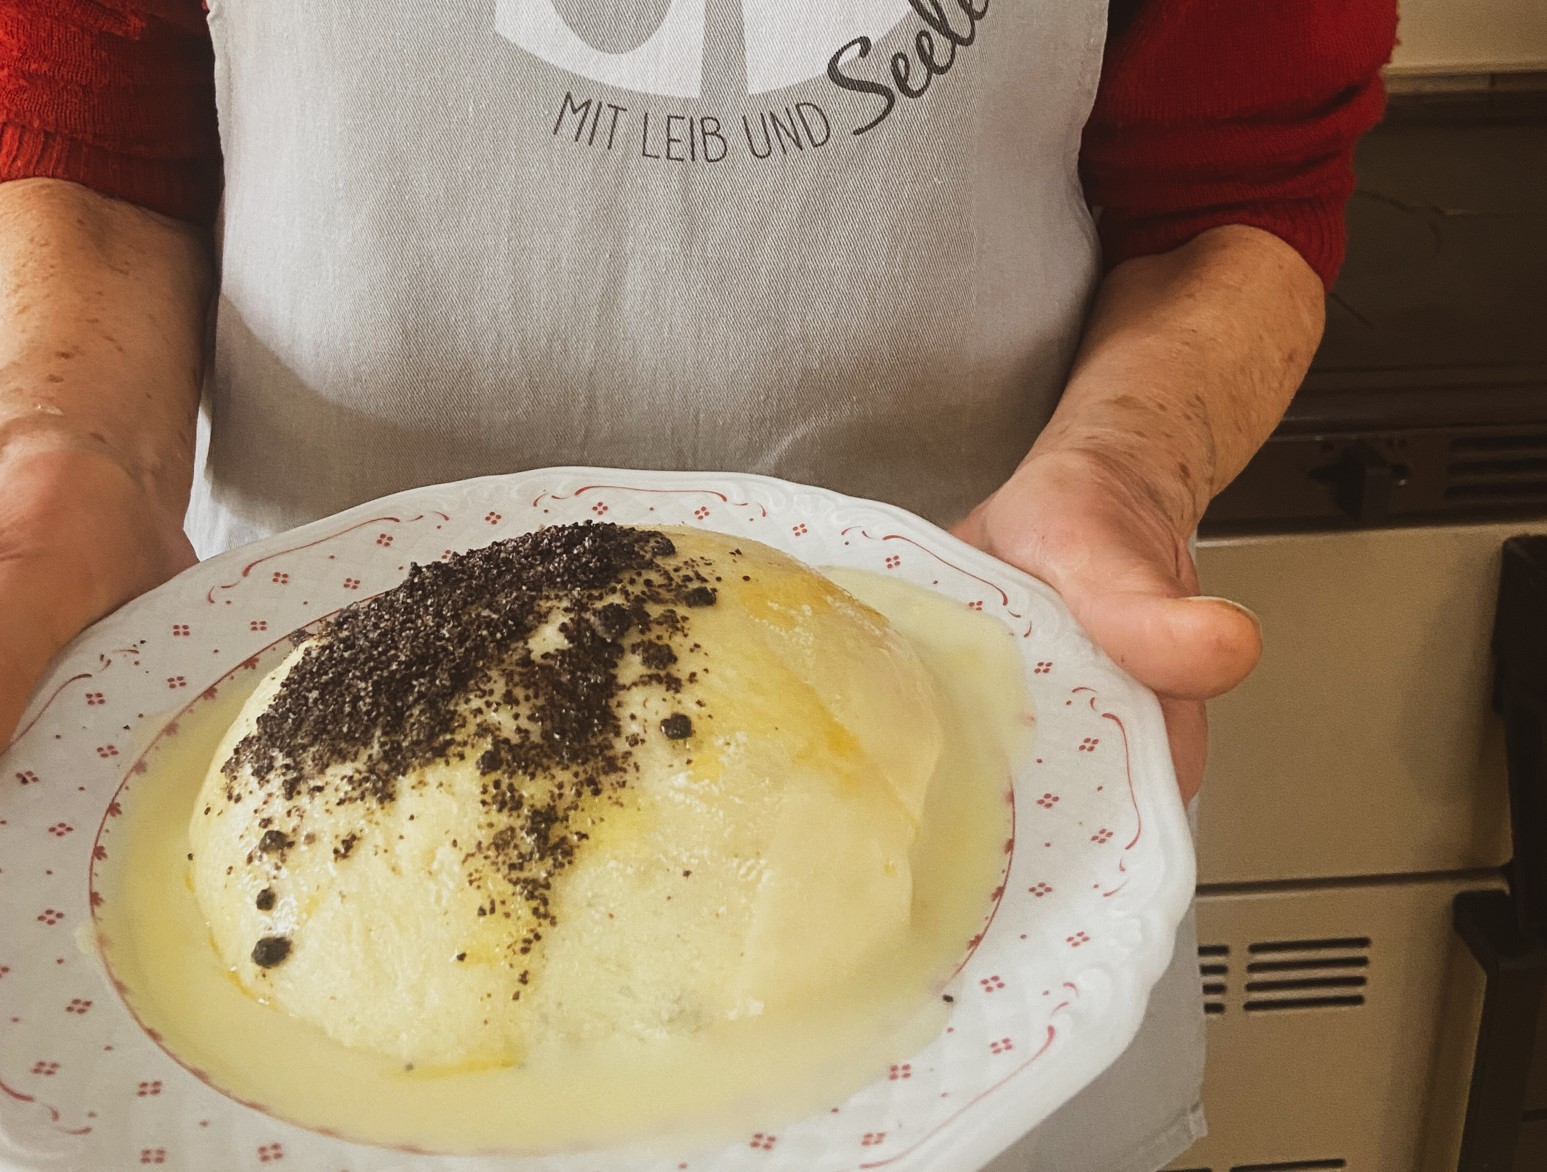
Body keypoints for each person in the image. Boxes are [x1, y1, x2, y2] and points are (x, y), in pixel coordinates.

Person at [0, 2, 1397, 1168]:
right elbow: (94, 139)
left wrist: (1123, 471)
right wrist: (68, 451)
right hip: (278, 725)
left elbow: (1232, 182)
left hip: (987, 729)